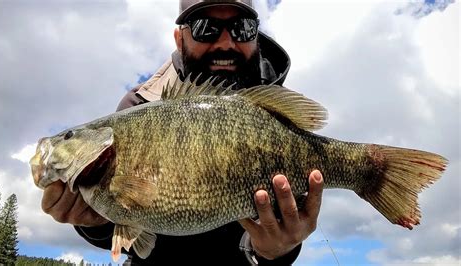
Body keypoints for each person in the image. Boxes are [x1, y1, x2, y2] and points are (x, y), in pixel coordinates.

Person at [40, 1, 324, 265]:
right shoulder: (138, 108)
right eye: (205, 28)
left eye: (242, 28)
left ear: (256, 36)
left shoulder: (275, 116)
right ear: (179, 39)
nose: (225, 43)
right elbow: (132, 238)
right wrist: (97, 222)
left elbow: (283, 230)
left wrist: (279, 249)